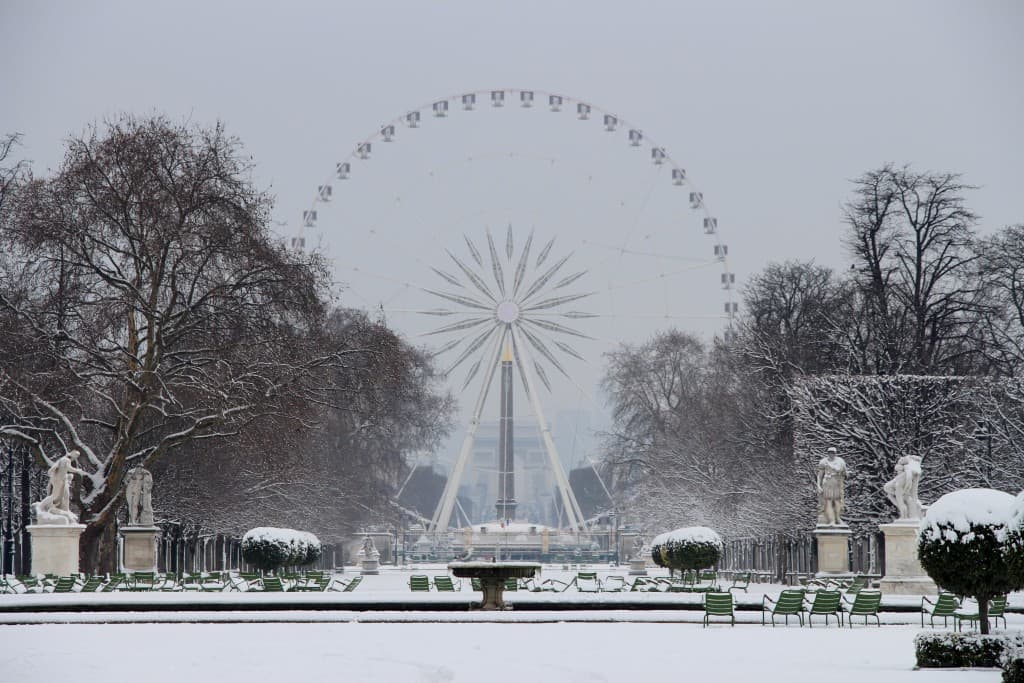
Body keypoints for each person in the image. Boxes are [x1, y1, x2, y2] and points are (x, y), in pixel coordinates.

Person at [33, 450, 88, 524]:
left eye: (77, 456)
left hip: (59, 479)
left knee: (58, 495)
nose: (76, 457)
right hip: (59, 480)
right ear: (72, 454)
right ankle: (42, 505)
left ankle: (47, 506)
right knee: (55, 495)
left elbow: (57, 469)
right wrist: (78, 471)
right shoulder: (66, 460)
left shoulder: (63, 459)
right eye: (76, 455)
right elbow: (68, 468)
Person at [883, 455, 923, 519]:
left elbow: (913, 489)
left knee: (899, 500)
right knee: (891, 494)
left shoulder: (911, 470)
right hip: (899, 486)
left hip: (900, 487)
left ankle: (904, 513)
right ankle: (903, 511)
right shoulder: (907, 469)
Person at [816, 447, 847, 526]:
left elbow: (845, 473)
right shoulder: (823, 462)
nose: (831, 454)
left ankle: (837, 518)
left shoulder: (840, 461)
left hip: (837, 483)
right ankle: (831, 520)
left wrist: (843, 475)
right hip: (827, 483)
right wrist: (818, 485)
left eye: (833, 452)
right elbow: (820, 475)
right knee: (828, 502)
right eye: (830, 452)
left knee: (837, 502)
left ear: (835, 453)